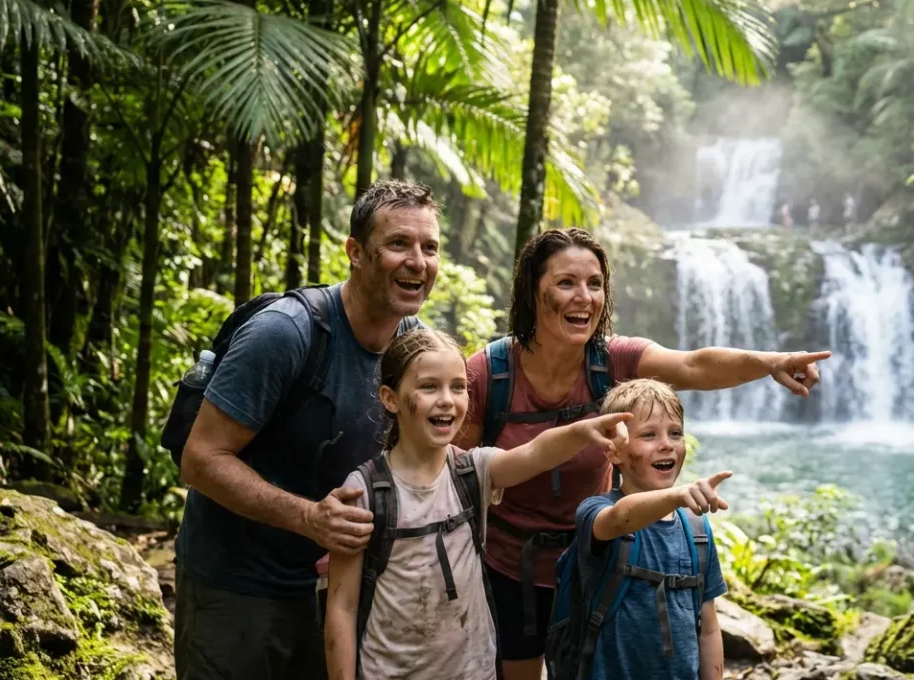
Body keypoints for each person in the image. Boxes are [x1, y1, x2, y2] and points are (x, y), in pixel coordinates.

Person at [454, 228, 830, 680]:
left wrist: (771, 363)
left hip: (601, 565)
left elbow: (693, 365)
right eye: (566, 283)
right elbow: (452, 474)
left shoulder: (612, 360)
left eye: (595, 284)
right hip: (508, 568)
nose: (585, 297)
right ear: (533, 292)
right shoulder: (488, 374)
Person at [174, 180, 441, 680]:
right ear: (356, 252)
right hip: (238, 588)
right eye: (399, 244)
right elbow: (201, 459)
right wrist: (309, 518)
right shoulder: (286, 332)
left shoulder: (413, 346)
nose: (417, 261)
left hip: (335, 593)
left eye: (429, 248)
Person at [323, 328, 633, 680]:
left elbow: (535, 453)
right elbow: (342, 606)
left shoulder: (473, 471)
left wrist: (583, 431)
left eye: (458, 387)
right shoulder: (364, 492)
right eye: (429, 387)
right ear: (390, 398)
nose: (446, 399)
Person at [574, 379, 729, 680]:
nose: (666, 444)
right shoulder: (595, 512)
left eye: (675, 433)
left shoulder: (696, 528)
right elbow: (621, 518)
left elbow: (708, 627)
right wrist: (678, 495)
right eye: (648, 435)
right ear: (613, 451)